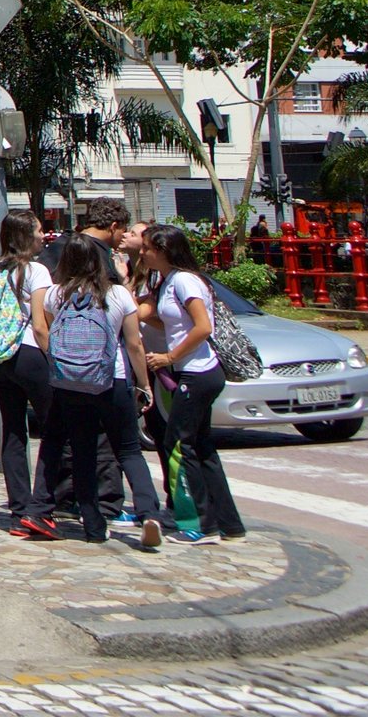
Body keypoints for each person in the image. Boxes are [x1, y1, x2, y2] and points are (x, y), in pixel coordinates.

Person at [28, 233, 166, 548]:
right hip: (112, 379)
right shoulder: (117, 294)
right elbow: (133, 344)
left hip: (70, 384)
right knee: (129, 450)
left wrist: (62, 366)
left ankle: (93, 525)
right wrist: (144, 384)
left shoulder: (54, 295)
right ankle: (148, 513)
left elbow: (48, 334)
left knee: (83, 452)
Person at [138, 227, 247, 546]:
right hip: (190, 371)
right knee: (201, 447)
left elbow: (202, 326)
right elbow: (166, 320)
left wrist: (169, 356)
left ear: (164, 249)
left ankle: (202, 523)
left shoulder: (185, 280)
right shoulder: (167, 280)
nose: (143, 253)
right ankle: (229, 524)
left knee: (178, 444)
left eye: (147, 248)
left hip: (198, 372)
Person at [0, 211, 58, 536]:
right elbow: (40, 324)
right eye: (39, 231)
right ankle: (42, 508)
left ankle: (19, 509)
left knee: (13, 432)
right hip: (28, 353)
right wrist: (54, 357)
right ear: (27, 236)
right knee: (55, 430)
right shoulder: (36, 270)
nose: (44, 236)